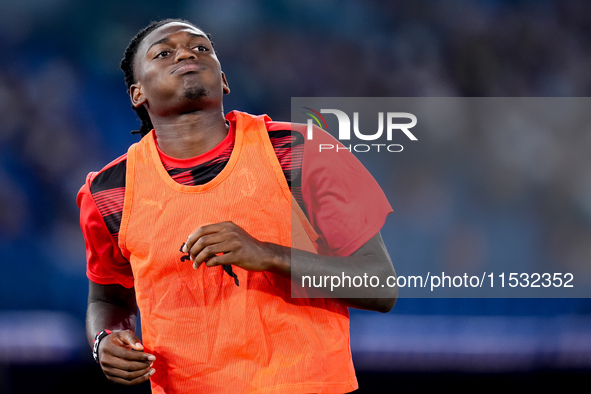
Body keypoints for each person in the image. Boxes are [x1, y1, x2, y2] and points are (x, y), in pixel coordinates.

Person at [77, 18, 397, 393]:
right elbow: (108, 297)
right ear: (137, 94)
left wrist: (268, 254)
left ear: (223, 80)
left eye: (201, 49)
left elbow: (379, 284)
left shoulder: (302, 151)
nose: (186, 53)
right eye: (164, 53)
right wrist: (105, 341)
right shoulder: (108, 191)